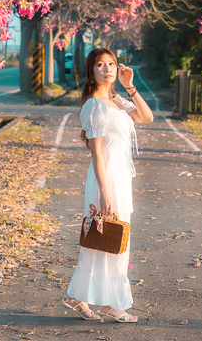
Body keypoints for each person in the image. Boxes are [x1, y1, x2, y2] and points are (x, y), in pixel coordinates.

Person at [64, 47, 153, 323]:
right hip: (105, 179)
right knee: (103, 240)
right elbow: (97, 153)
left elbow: (147, 117)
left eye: (111, 64)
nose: (107, 69)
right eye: (100, 65)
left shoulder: (117, 100)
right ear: (91, 71)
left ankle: (98, 301)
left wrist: (130, 87)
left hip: (121, 179)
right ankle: (101, 302)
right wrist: (103, 192)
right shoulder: (94, 105)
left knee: (117, 239)